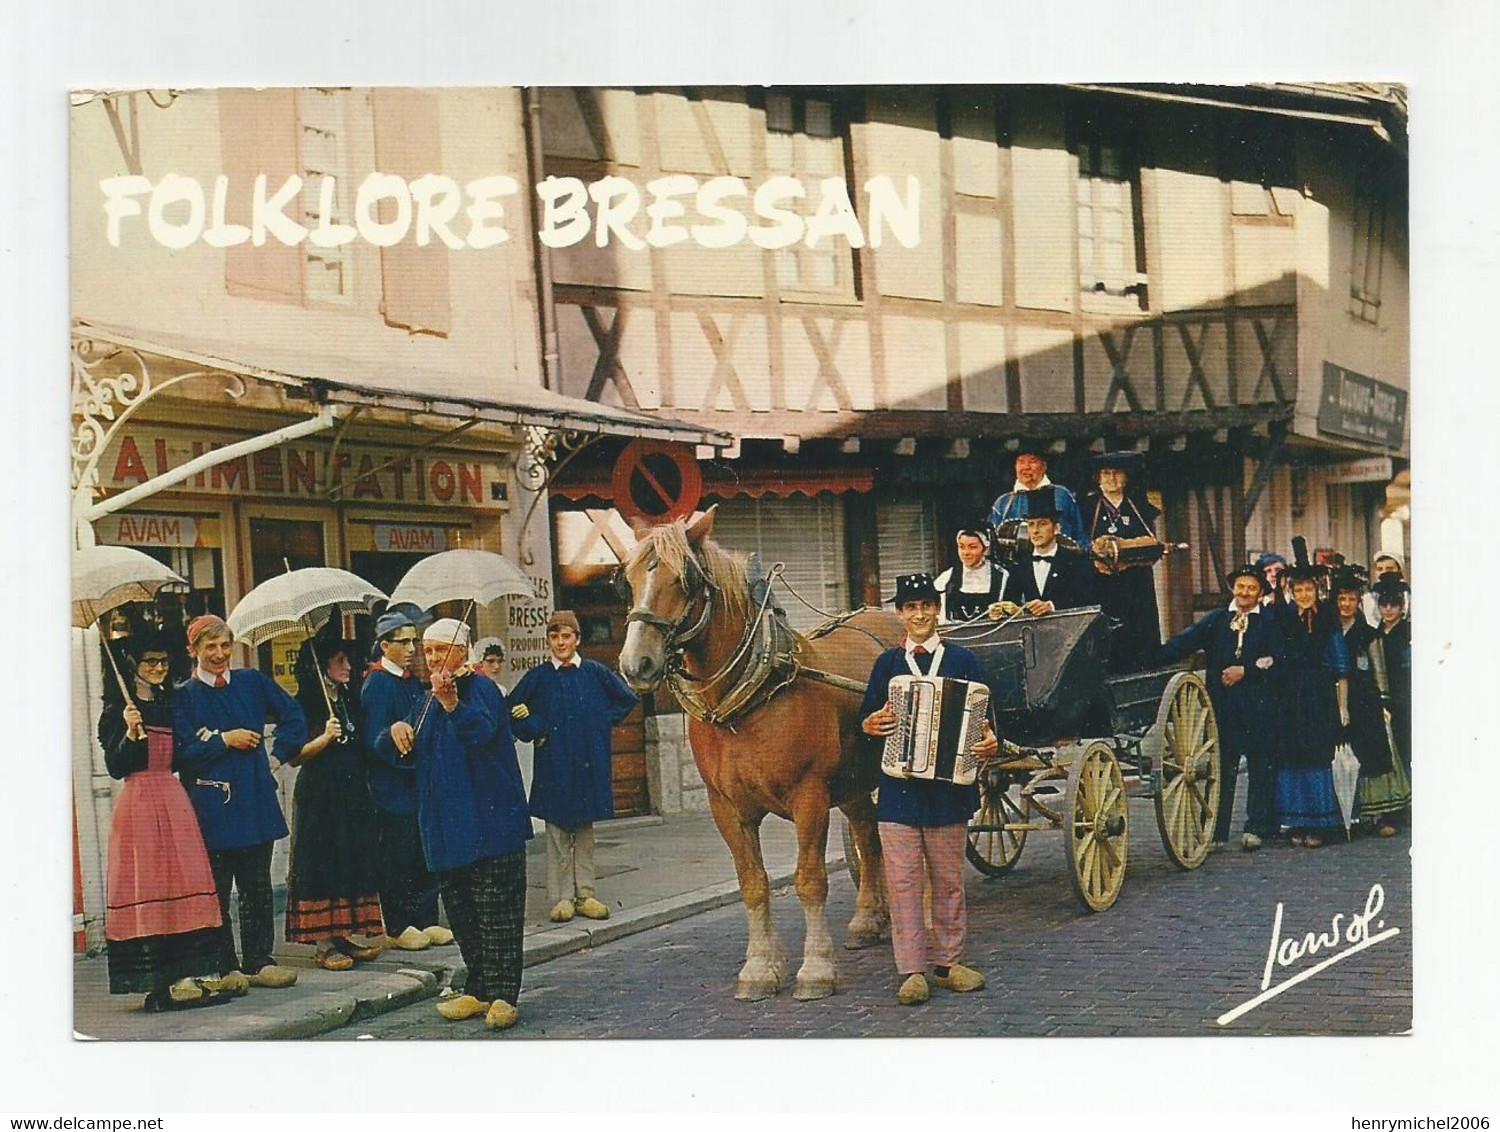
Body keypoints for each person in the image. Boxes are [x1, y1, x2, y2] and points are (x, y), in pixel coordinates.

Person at [859, 573, 997, 1005]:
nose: (919, 614)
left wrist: (989, 742)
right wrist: (870, 724)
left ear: (937, 610)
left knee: (949, 880)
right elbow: (865, 720)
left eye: (926, 606)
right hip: (898, 794)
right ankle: (912, 971)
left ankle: (948, 963)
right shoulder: (887, 665)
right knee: (902, 883)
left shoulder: (963, 661)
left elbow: (987, 721)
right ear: (900, 615)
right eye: (910, 607)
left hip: (947, 793)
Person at [401, 618, 532, 1030]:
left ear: (463, 650)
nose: (433, 658)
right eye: (428, 651)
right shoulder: (424, 701)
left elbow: (481, 732)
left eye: (441, 649)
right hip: (446, 831)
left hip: (490, 828)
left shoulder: (483, 690)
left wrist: (453, 705)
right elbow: (409, 750)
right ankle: (477, 988)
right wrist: (396, 730)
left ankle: (503, 995)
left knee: (498, 916)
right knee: (463, 916)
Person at [172, 614, 308, 990]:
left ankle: (259, 961)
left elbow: (294, 716)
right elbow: (180, 753)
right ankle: (225, 965)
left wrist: (277, 756)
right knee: (216, 888)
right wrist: (223, 740)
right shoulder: (183, 696)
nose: (219, 654)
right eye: (210, 647)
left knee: (257, 887)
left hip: (253, 799)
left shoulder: (251, 682)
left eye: (224, 645)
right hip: (210, 806)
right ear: (193, 650)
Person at [98, 632, 227, 1012]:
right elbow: (116, 766)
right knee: (150, 887)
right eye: (149, 661)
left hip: (173, 801)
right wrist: (130, 733)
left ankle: (187, 976)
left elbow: (184, 754)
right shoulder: (117, 712)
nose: (157, 668)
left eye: (163, 662)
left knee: (184, 881)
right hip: (139, 804)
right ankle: (157, 985)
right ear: (132, 666)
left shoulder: (171, 704)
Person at [510, 610, 641, 923]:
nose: (560, 643)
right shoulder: (539, 677)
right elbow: (512, 711)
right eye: (554, 637)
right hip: (554, 765)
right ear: (548, 641)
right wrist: (534, 726)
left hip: (587, 764)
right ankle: (562, 898)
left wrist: (601, 721)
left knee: (584, 833)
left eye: (566, 636)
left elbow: (627, 699)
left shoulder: (594, 673)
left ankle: (586, 894)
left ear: (577, 639)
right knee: (556, 833)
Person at [1156, 566, 1283, 850]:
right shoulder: (1217, 620)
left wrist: (1246, 671)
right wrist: (1153, 655)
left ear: (1260, 592)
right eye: (1240, 587)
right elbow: (1185, 642)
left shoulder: (1269, 623)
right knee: (1222, 767)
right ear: (1232, 589)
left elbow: (1278, 658)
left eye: (1251, 588)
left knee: (1261, 765)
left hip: (1259, 707)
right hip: (1223, 707)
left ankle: (1256, 826)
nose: (1245, 593)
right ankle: (1216, 830)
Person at [283, 639, 385, 970]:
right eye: (340, 661)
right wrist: (325, 737)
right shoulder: (304, 704)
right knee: (322, 862)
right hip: (320, 794)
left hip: (350, 792)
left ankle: (344, 935)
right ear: (321, 665)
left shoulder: (346, 700)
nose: (348, 667)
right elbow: (295, 756)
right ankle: (324, 944)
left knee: (348, 859)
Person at [362, 611, 453, 952]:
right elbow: (373, 738)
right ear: (385, 645)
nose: (412, 648)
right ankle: (399, 924)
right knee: (398, 857)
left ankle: (427, 919)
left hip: (417, 782)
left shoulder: (413, 681)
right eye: (404, 642)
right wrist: (392, 735)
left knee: (422, 853)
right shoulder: (378, 682)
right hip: (392, 787)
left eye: (415, 640)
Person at [1270, 544, 1350, 849]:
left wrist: (1343, 706)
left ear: (1317, 590)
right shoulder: (1283, 617)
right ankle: (1297, 820)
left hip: (1318, 693)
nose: (1304, 594)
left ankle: (1319, 822)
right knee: (1292, 753)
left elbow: (1340, 665)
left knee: (1317, 752)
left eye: (1309, 589)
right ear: (1292, 590)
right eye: (1299, 589)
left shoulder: (1328, 618)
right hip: (1289, 693)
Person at [1331, 570, 1410, 837]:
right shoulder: (1329, 631)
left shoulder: (1367, 634)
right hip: (1338, 697)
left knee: (1372, 752)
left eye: (1351, 600)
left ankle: (1381, 813)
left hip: (1365, 698)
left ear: (1358, 603)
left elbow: (1379, 669)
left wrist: (1384, 701)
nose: (1345, 604)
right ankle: (1350, 814)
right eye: (1341, 599)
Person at [1081, 451, 1167, 671]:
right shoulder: (1087, 507)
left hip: (1136, 582)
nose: (1111, 479)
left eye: (1117, 473)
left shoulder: (1139, 506)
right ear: (1098, 479)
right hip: (1103, 582)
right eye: (1106, 474)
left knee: (1138, 628)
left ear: (1126, 478)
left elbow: (1152, 543)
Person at [1000, 490, 1095, 614]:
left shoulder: (1076, 560)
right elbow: (1011, 600)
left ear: (1056, 528)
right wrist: (1010, 610)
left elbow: (1086, 599)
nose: (1035, 531)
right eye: (1031, 524)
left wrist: (1052, 606)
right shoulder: (1019, 563)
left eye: (1042, 524)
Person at [986, 442, 1087, 547]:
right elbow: (990, 540)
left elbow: (1079, 535)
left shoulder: (1062, 495)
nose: (1026, 467)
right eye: (1021, 462)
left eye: (1032, 461)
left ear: (1044, 466)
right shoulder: (1003, 502)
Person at [1373, 576, 1412, 778]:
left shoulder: (1408, 632)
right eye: (1384, 604)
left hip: (1404, 700)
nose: (1388, 609)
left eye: (1394, 604)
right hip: (1382, 699)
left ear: (1402, 605)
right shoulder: (1375, 633)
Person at [935, 528, 1009, 624]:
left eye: (972, 547)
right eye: (961, 547)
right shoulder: (947, 578)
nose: (966, 553)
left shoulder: (1002, 577)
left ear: (985, 549)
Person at [1362, 552, 1409, 628]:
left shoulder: (1408, 595)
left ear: (1399, 571)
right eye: (1380, 569)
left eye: (1389, 568)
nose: (1384, 572)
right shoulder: (1367, 598)